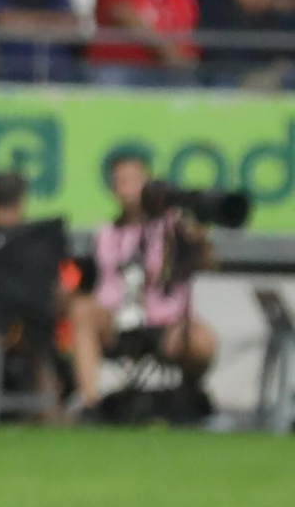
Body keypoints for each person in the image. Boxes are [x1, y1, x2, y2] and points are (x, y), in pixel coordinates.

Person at [67, 152, 217, 418]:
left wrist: (194, 228)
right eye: (121, 182)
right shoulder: (106, 234)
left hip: (165, 323)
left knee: (201, 341)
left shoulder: (171, 227)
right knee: (81, 309)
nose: (129, 189)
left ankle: (189, 393)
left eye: (134, 180)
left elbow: (207, 259)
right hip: (117, 320)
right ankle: (91, 403)